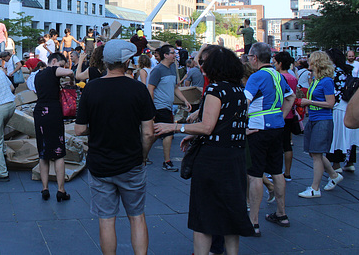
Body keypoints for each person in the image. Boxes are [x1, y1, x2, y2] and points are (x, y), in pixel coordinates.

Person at [155, 47, 253, 255]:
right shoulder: (239, 91)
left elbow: (207, 126)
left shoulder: (215, 90)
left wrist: (176, 127)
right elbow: (224, 124)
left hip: (213, 160)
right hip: (235, 157)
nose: (202, 67)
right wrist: (195, 133)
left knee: (204, 215)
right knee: (231, 213)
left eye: (205, 64)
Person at [75, 39, 155, 255]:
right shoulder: (138, 89)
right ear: (128, 61)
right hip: (131, 163)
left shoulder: (91, 89)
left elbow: (79, 129)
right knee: (137, 216)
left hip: (100, 164)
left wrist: (100, 128)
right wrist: (144, 155)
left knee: (106, 219)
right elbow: (148, 132)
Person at [244, 42, 295, 236]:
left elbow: (244, 102)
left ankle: (253, 222)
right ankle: (281, 214)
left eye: (249, 57)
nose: (249, 60)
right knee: (277, 171)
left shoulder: (256, 77)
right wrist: (280, 117)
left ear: (255, 58)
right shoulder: (278, 75)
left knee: (255, 173)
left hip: (258, 129)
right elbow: (290, 98)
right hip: (276, 128)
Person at [297, 51, 344, 198]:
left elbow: (330, 103)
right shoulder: (317, 79)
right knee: (314, 152)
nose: (308, 61)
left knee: (316, 154)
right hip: (315, 119)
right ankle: (333, 175)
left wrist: (309, 102)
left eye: (310, 60)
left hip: (322, 119)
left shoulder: (326, 81)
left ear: (316, 62)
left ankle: (315, 188)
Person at [32, 52, 75, 201]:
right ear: (54, 61)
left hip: (39, 111)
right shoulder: (53, 70)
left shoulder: (38, 75)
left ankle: (45, 188)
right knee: (58, 152)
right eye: (61, 64)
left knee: (43, 152)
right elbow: (70, 71)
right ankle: (61, 190)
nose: (62, 68)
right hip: (53, 111)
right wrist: (71, 78)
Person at [146, 44, 192, 172]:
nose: (175, 55)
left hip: (168, 107)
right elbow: (150, 89)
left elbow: (175, 87)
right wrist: (151, 108)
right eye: (172, 53)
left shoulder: (172, 68)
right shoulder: (158, 70)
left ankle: (142, 156)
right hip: (160, 107)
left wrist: (185, 100)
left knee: (155, 134)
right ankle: (167, 162)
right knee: (168, 133)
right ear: (165, 55)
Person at [326, 48, 359, 173]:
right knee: (349, 136)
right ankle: (349, 161)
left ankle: (336, 164)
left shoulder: (333, 72)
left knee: (337, 136)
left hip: (337, 106)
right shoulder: (348, 70)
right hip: (348, 104)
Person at [273, 51, 299, 181]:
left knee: (277, 145)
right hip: (290, 114)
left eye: (275, 62)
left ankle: (276, 171)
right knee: (287, 144)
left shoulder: (278, 77)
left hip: (279, 113)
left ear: (280, 63)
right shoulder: (293, 78)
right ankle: (287, 172)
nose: (274, 64)